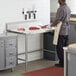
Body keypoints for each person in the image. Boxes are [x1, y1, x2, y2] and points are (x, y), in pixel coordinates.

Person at [51, 0, 71, 67]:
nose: (57, 1)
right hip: (67, 30)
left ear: (60, 0)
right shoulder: (68, 8)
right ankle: (66, 62)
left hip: (61, 30)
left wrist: (52, 25)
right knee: (65, 47)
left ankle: (62, 63)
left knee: (60, 48)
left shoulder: (61, 8)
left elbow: (57, 20)